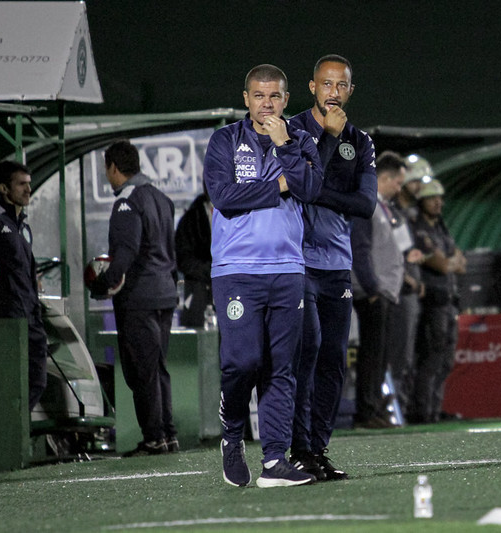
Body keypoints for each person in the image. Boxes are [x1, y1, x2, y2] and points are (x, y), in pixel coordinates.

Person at [203, 64, 324, 488]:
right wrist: (279, 186)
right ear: (246, 97)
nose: (266, 104)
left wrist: (285, 146)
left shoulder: (302, 140)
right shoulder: (224, 140)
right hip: (236, 270)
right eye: (259, 95)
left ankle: (275, 459)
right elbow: (223, 196)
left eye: (274, 97)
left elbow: (311, 188)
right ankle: (232, 433)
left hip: (288, 270)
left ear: (286, 100)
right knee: (243, 362)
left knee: (279, 368)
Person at [285, 54, 377, 482]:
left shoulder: (361, 142)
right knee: (308, 351)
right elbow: (301, 187)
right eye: (326, 84)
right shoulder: (292, 130)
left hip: (337, 265)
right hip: (298, 260)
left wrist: (318, 192)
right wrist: (325, 141)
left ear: (350, 90)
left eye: (341, 85)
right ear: (312, 87)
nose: (333, 93)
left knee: (334, 360)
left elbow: (366, 205)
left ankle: (318, 449)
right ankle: (297, 448)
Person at [88, 140, 180, 456]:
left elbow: (126, 251)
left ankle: (154, 437)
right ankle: (167, 435)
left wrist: (104, 284)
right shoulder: (162, 198)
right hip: (165, 295)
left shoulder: (127, 201)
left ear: (113, 168)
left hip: (140, 298)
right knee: (158, 369)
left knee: (142, 371)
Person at [351, 151, 420, 428]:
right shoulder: (367, 205)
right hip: (373, 292)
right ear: (385, 178)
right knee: (371, 354)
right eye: (398, 183)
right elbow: (361, 249)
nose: (400, 189)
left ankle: (374, 409)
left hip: (384, 291)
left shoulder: (383, 208)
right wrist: (372, 287)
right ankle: (366, 412)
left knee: (380, 354)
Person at [0, 161, 48, 411]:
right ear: (3, 189)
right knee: (12, 384)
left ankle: (16, 433)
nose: (28, 189)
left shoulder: (24, 227)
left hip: (32, 317)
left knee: (38, 382)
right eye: (21, 184)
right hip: (8, 320)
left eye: (29, 184)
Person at [407, 179, 466, 424]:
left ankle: (434, 407)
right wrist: (449, 263)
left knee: (446, 360)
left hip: (449, 301)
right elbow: (443, 264)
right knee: (431, 357)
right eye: (432, 197)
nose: (438, 202)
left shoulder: (441, 228)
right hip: (433, 302)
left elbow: (461, 262)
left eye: (440, 197)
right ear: (421, 201)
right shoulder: (419, 229)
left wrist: (450, 262)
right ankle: (423, 412)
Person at [386, 155, 430, 414]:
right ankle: (394, 411)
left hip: (410, 290)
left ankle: (404, 409)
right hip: (398, 291)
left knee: (408, 356)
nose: (418, 188)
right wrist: (406, 276)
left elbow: (404, 251)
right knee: (398, 355)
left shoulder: (405, 215)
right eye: (414, 182)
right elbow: (387, 252)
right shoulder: (389, 211)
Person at [174, 188, 213, 328]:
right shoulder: (191, 219)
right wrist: (209, 270)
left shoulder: (237, 215)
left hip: (231, 293)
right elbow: (182, 259)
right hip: (198, 295)